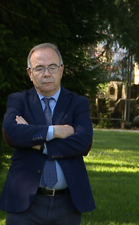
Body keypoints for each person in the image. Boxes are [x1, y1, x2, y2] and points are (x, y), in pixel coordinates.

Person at [1, 43, 95, 224]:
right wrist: (56, 131)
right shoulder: (18, 100)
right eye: (39, 68)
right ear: (30, 73)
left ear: (61, 70)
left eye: (52, 67)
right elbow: (11, 132)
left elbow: (83, 141)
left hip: (67, 204)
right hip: (24, 203)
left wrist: (37, 143)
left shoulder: (78, 103)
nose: (46, 73)